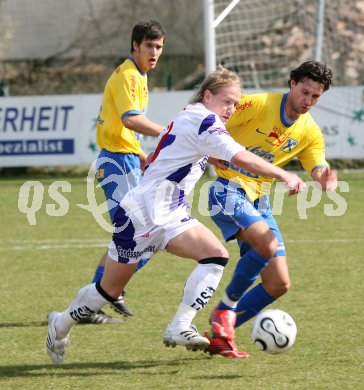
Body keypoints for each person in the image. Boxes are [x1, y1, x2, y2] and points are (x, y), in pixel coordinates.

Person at [46, 66, 306, 364]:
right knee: (108, 290)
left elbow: (205, 153)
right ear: (208, 95)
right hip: (140, 215)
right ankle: (62, 322)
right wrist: (283, 175)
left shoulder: (192, 115)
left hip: (170, 215)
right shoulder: (205, 121)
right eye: (227, 102)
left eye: (236, 104)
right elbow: (241, 157)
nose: (232, 109)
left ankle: (180, 325)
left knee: (216, 256)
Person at [204, 61, 338, 358]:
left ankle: (219, 334)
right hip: (226, 191)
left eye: (315, 97)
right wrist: (210, 154)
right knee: (267, 244)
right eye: (304, 92)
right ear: (292, 83)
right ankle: (223, 312)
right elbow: (208, 123)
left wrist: (324, 178)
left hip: (259, 202)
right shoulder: (256, 104)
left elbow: (317, 165)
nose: (308, 101)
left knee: (279, 283)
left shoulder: (309, 132)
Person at [85, 20, 166, 324]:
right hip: (118, 165)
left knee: (133, 236)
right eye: (149, 46)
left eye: (159, 47)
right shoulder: (130, 76)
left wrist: (142, 154)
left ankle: (103, 293)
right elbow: (131, 120)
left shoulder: (137, 76)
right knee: (140, 237)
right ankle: (100, 296)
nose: (154, 52)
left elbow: (123, 128)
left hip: (126, 160)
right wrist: (167, 132)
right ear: (135, 46)